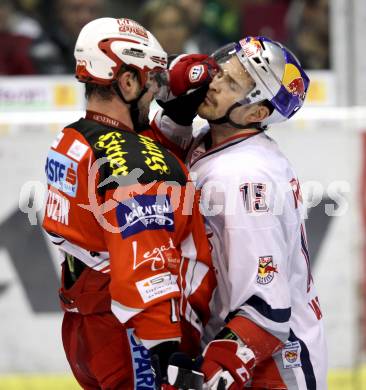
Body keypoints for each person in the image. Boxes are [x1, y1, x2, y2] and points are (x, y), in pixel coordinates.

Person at [42, 17, 216, 389]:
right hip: (130, 334)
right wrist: (166, 350)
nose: (155, 93)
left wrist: (176, 123)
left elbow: (127, 158)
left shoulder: (74, 137)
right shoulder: (137, 166)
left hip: (86, 328)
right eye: (151, 81)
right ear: (127, 81)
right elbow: (144, 263)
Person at [155, 37, 327, 389]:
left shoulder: (245, 178)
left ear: (256, 113)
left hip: (275, 367)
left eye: (231, 84)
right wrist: (177, 117)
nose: (214, 82)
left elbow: (268, 308)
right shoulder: (214, 138)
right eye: (221, 72)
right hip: (241, 342)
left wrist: (216, 369)